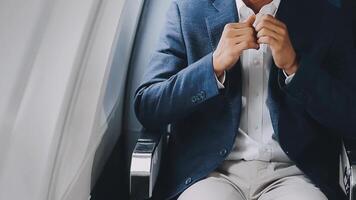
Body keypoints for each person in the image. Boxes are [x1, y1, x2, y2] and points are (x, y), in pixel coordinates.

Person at [134, 0, 356, 199]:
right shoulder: (187, 10)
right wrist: (213, 66)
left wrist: (295, 67)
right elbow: (149, 106)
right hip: (209, 175)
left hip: (297, 175)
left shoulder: (328, 15)